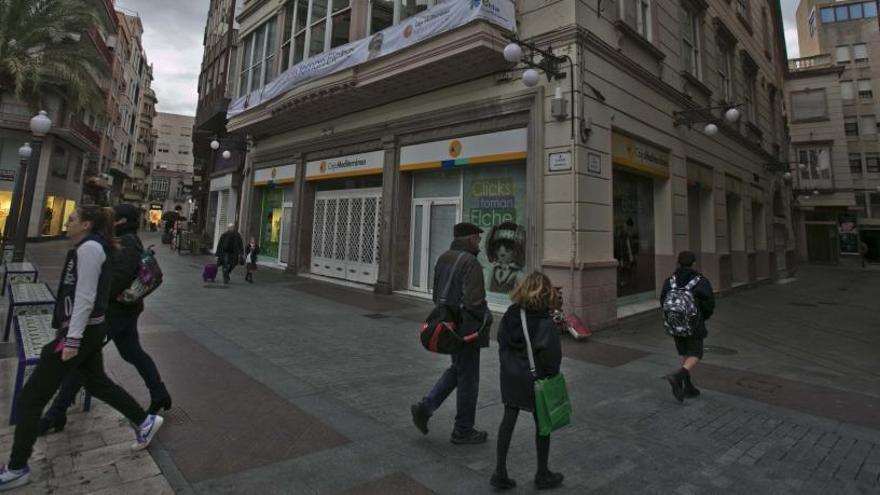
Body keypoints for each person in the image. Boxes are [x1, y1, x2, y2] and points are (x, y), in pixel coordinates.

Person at [0, 206, 163, 491]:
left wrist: (72, 339)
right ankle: (145, 421)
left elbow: (85, 296)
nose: (67, 222)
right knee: (98, 382)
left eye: (73, 219)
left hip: (83, 330)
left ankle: (17, 466)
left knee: (32, 395)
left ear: (87, 224)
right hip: (91, 327)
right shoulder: (96, 246)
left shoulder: (90, 249)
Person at [37, 204, 173, 435]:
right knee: (132, 353)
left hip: (115, 313)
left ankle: (55, 414)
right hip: (121, 312)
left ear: (120, 222)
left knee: (82, 363)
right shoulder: (120, 241)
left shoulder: (127, 243)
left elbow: (116, 280)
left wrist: (96, 300)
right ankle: (159, 393)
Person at [411, 222, 492, 445]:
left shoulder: (444, 257)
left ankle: (425, 408)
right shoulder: (470, 262)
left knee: (458, 370)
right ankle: (463, 429)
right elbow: (474, 303)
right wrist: (484, 321)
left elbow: (437, 295)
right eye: (477, 239)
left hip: (449, 326)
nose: (479, 244)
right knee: (469, 379)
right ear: (468, 239)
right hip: (467, 331)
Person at [492, 272, 564, 491]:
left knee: (508, 419)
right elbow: (551, 358)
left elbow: (501, 339)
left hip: (511, 375)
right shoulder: (544, 321)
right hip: (536, 378)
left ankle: (500, 471)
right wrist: (551, 374)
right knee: (543, 423)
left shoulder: (511, 314)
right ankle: (542, 473)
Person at [660, 251, 715, 402]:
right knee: (696, 354)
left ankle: (687, 386)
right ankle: (678, 375)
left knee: (686, 353)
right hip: (694, 324)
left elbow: (663, 301)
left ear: (678, 263)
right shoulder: (700, 281)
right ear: (694, 264)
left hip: (675, 325)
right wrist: (702, 317)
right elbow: (709, 304)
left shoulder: (670, 281)